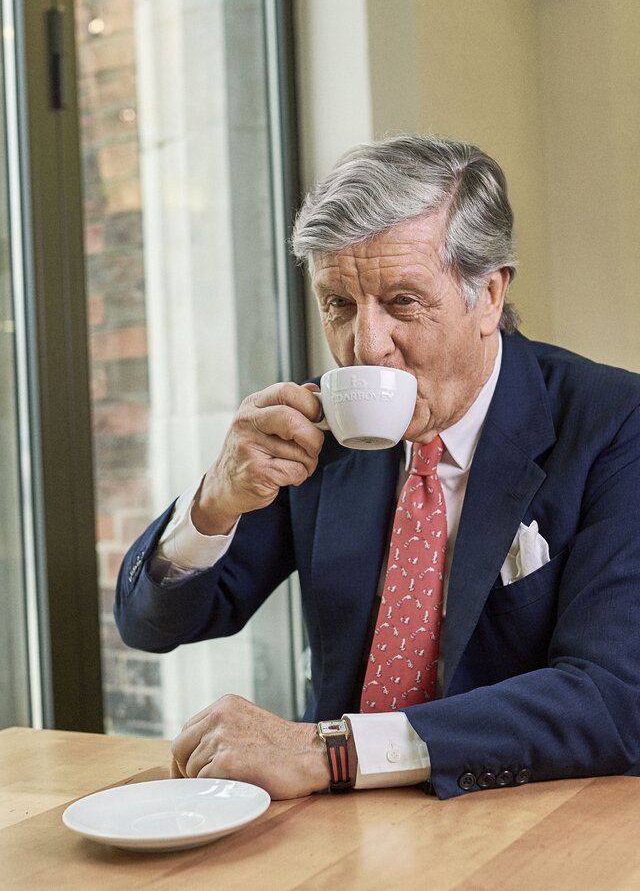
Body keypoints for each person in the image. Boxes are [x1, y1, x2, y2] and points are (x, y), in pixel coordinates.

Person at [115, 134, 640, 800]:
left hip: (525, 822)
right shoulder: (319, 426)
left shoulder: (615, 424)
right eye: (338, 303)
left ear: (489, 296)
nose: (365, 348)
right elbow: (154, 625)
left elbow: (612, 699)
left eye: (402, 303)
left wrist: (332, 751)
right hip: (340, 829)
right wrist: (212, 504)